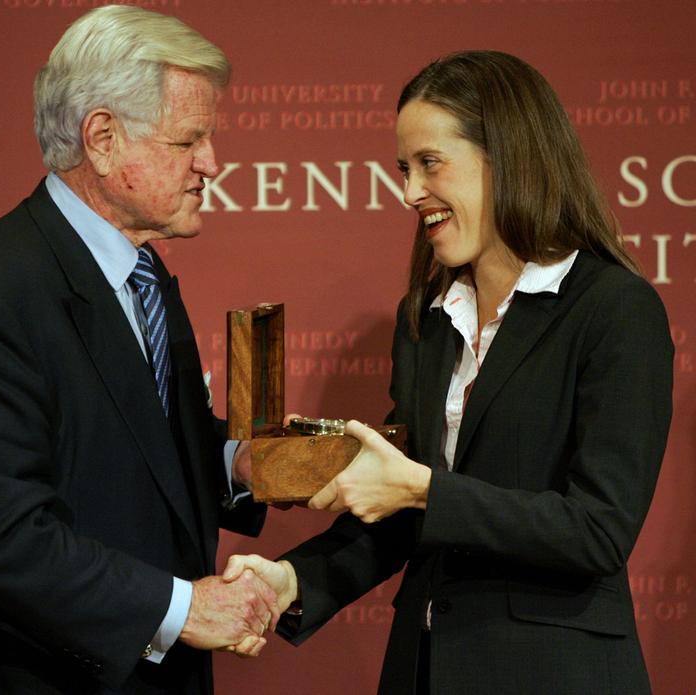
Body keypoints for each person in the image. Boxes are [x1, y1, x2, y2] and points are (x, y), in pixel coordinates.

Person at [224, 51, 674, 695]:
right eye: (405, 170)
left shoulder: (614, 309)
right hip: (424, 669)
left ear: (508, 156)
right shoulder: (426, 320)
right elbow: (404, 514)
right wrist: (292, 580)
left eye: (430, 163)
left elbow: (598, 531)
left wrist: (425, 490)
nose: (410, 192)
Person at [0, 6, 278, 694]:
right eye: (188, 140)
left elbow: (141, 449)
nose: (211, 162)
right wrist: (181, 609)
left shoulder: (142, 272)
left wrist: (242, 464)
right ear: (103, 138)